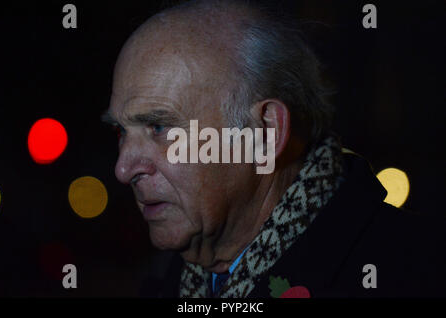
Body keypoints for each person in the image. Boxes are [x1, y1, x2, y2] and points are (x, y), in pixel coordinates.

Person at [102, 0, 446, 298]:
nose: (122, 169)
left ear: (264, 133)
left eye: (160, 128)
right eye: (121, 130)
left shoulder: (414, 275)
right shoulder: (162, 280)